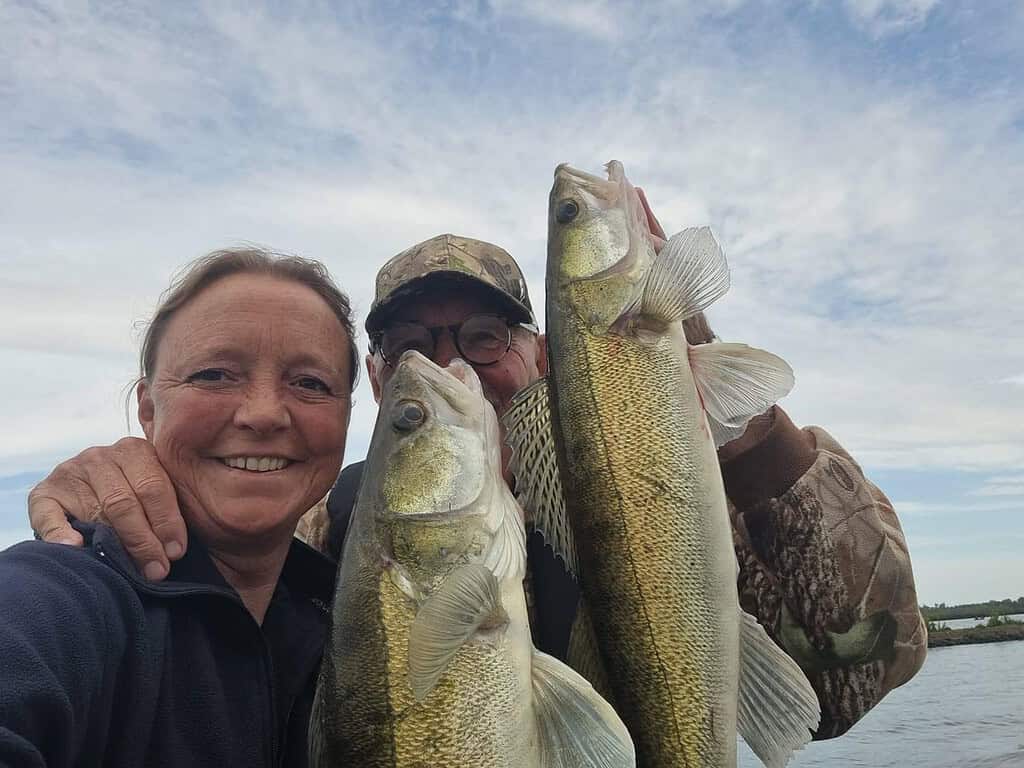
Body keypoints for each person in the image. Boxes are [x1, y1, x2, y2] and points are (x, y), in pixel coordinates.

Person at [29, 225, 928, 739]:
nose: (452, 365)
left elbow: (856, 673)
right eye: (415, 347)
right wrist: (116, 492)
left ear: (538, 354)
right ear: (380, 383)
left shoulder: (646, 502)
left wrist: (738, 426)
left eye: (485, 339)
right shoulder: (325, 536)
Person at [3, 248, 358, 765]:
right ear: (148, 410)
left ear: (348, 415)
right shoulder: (60, 597)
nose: (263, 414)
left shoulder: (350, 627)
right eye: (214, 375)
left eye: (310, 383)